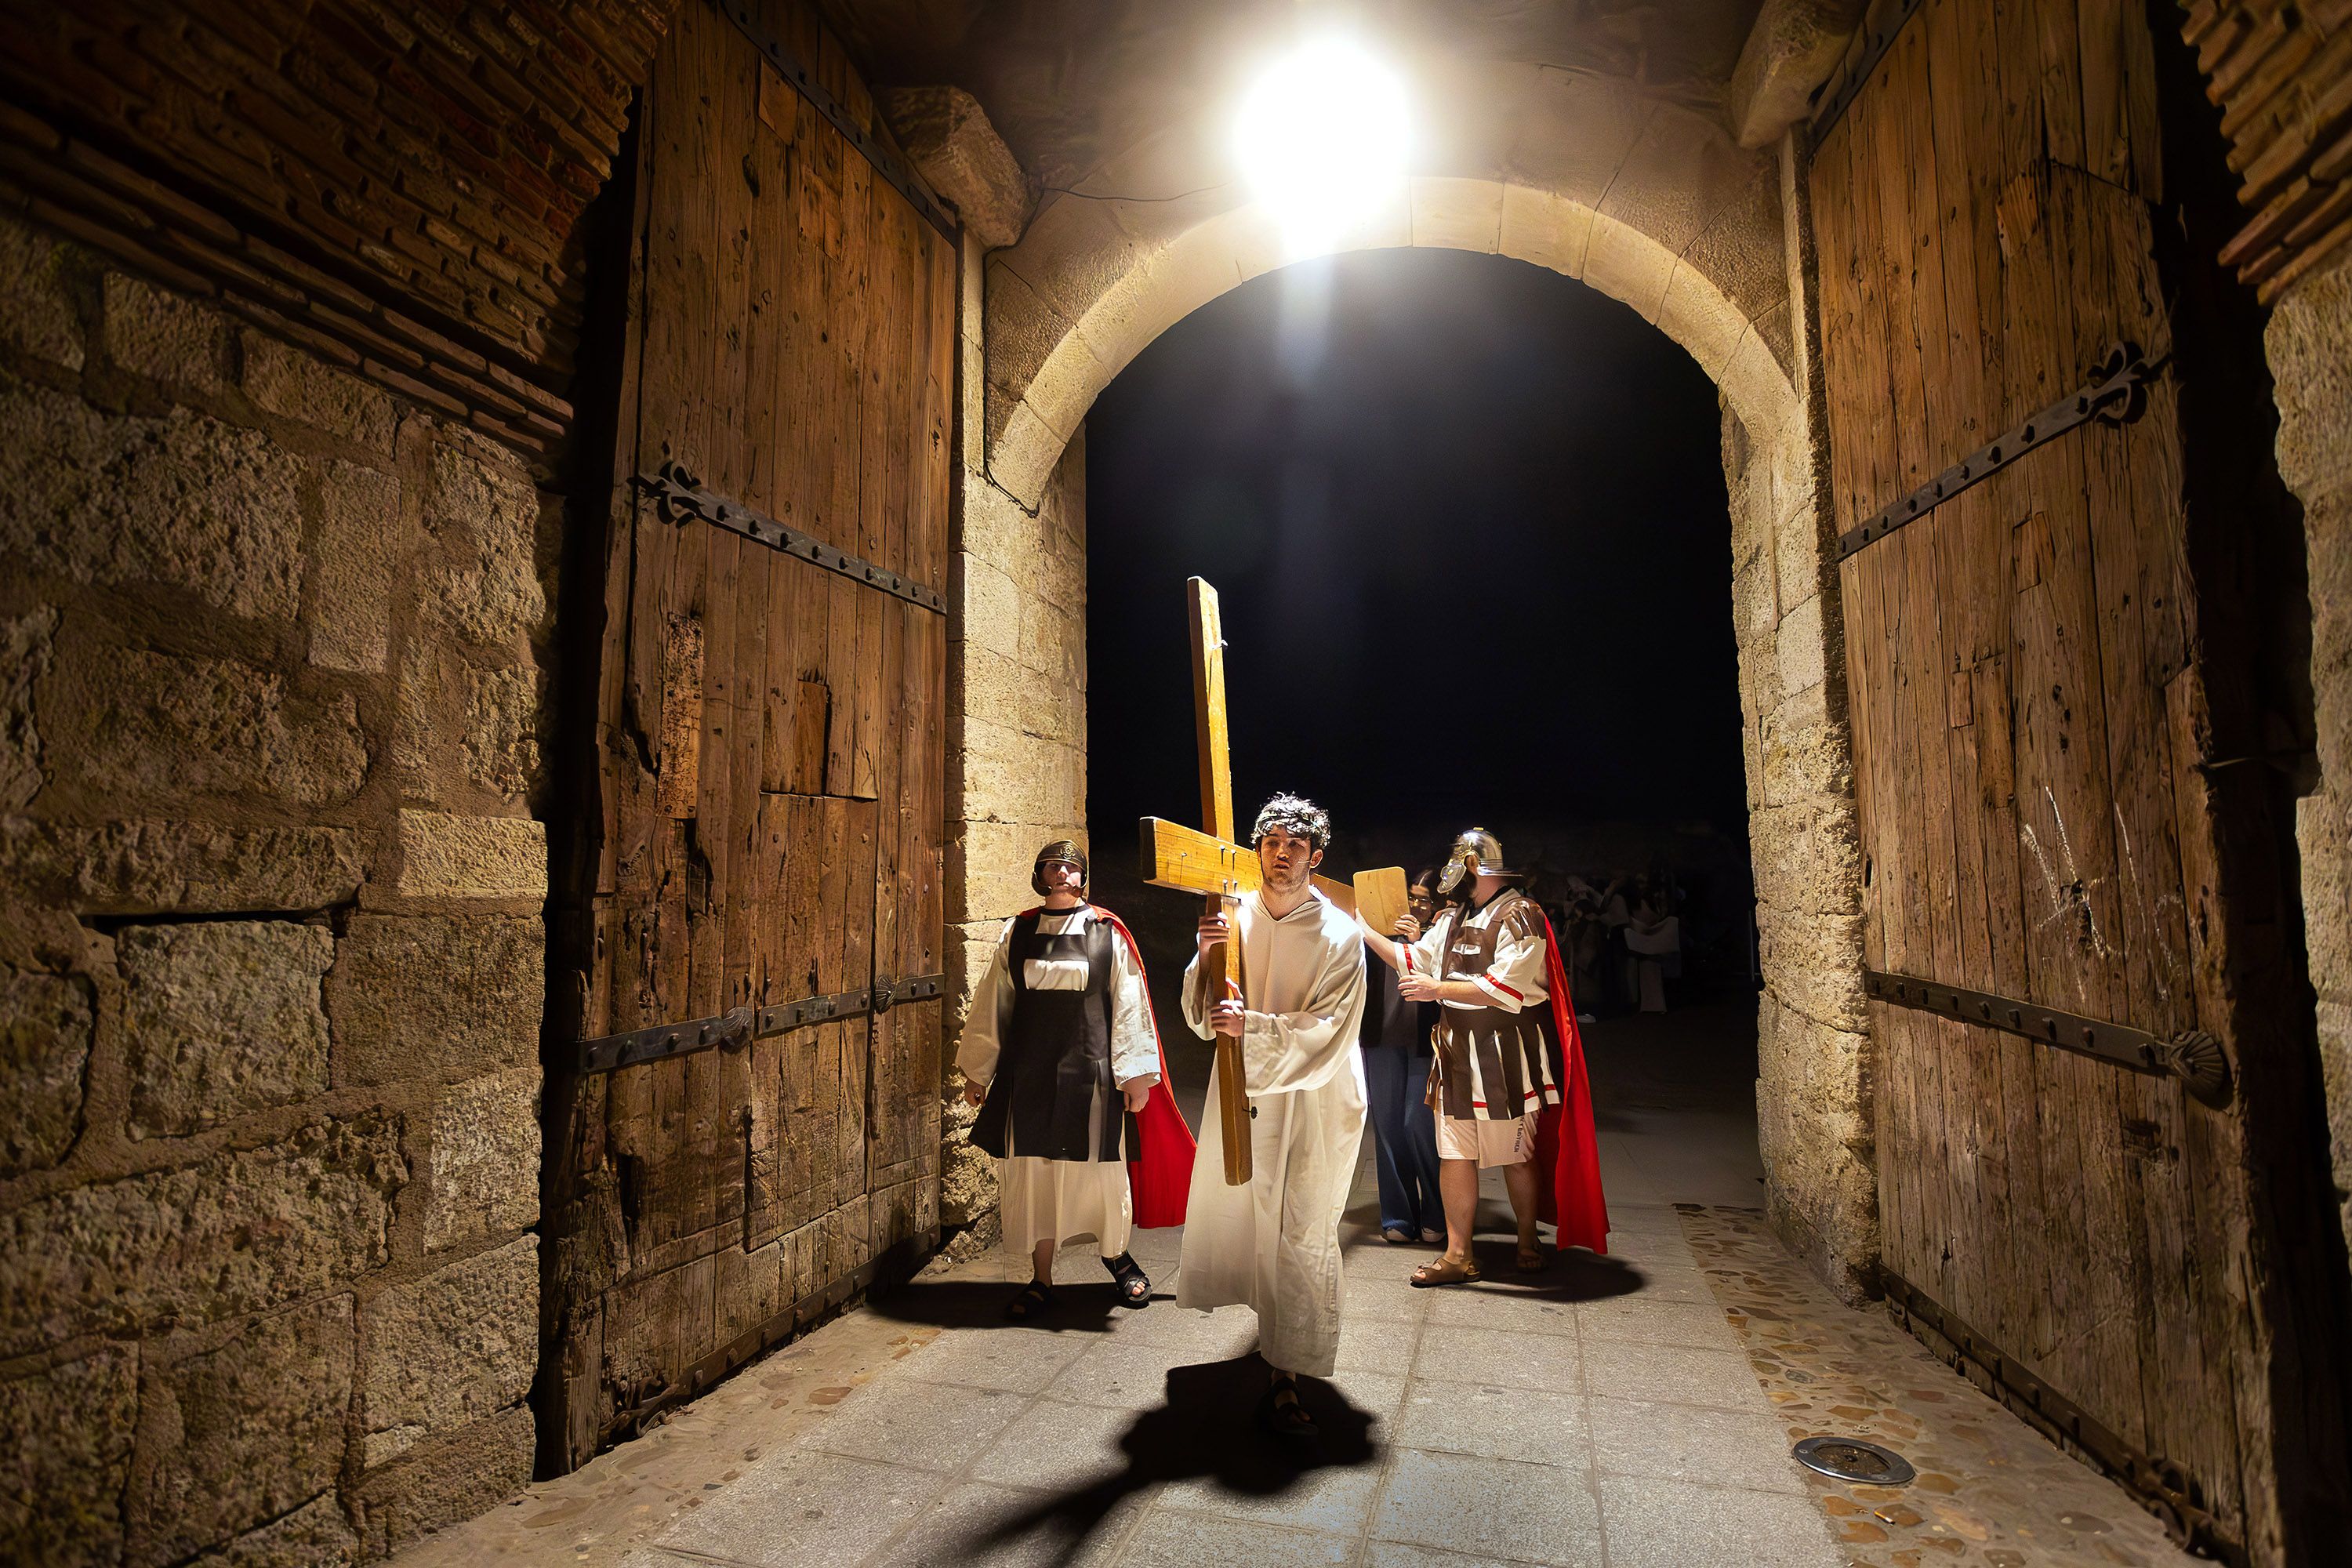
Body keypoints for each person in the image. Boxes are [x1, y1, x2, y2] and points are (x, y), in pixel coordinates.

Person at [1178, 793, 1367, 1439]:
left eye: (1295, 845)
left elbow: (1332, 1027)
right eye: (1271, 842)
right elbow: (1203, 1010)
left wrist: (1254, 1026)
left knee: (1302, 1227)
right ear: (1257, 848)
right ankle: (1270, 1341)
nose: (1280, 854)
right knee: (1251, 1220)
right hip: (1247, 1092)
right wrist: (1206, 956)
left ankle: (1288, 1370)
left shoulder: (1340, 933)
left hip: (1316, 1096)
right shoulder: (1230, 918)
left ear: (1317, 857)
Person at [959, 840, 1195, 1319]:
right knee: (1034, 1177)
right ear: (1040, 874)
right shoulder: (1017, 932)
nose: (1062, 873)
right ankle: (1041, 1278)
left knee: (1101, 1176)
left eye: (1071, 867)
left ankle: (1118, 1259)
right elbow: (993, 1003)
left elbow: (1129, 1004)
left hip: (1093, 1078)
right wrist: (978, 1070)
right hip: (1029, 1076)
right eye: (1053, 866)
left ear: (1082, 877)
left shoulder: (1107, 932)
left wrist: (1134, 1077)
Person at [1363, 828, 1606, 1287]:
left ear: (1473, 866)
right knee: (1454, 1154)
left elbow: (1506, 990)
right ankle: (1458, 1254)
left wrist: (1437, 990)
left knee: (1516, 1155)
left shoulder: (1522, 915)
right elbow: (1415, 960)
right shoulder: (1453, 918)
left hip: (1504, 1056)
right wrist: (1362, 926)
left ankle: (1527, 1239)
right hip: (1455, 1055)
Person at [1362, 870, 1443, 1244]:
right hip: (1380, 1038)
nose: (1415, 906)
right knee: (1389, 1126)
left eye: (1424, 900)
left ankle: (1438, 1213)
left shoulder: (1440, 935)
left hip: (1425, 1042)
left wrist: (1417, 940)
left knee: (1419, 1124)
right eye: (1410, 897)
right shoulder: (1373, 936)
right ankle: (1397, 1216)